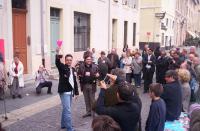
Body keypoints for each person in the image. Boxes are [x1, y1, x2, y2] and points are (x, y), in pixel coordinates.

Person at [55, 47, 79, 131]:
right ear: (65, 60)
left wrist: (76, 93)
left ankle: (63, 124)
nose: (69, 61)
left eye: (70, 60)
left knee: (66, 108)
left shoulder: (73, 69)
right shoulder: (62, 67)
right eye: (67, 60)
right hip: (64, 91)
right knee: (68, 110)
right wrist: (58, 53)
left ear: (72, 61)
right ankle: (69, 128)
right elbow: (57, 62)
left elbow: (74, 82)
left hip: (70, 91)